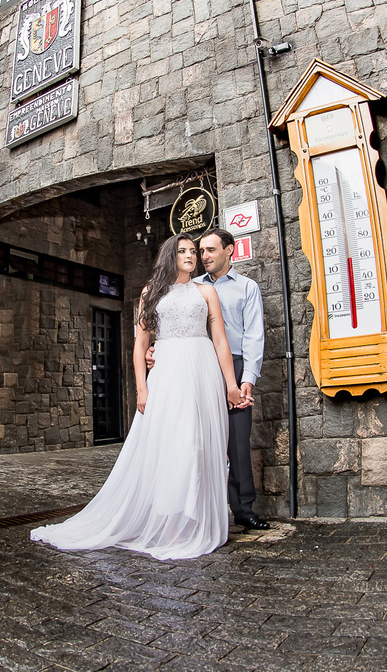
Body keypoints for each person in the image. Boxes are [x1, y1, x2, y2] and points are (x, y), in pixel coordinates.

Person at [31, 234, 244, 560]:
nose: (190, 256)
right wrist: (142, 388)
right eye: (183, 251)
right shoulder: (150, 293)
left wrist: (230, 384)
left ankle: (196, 520)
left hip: (203, 374)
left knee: (199, 445)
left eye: (193, 252)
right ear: (169, 255)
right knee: (172, 446)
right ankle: (170, 523)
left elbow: (220, 341)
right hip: (168, 375)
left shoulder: (207, 292)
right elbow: (140, 346)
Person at [197, 227, 269, 531]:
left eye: (210, 250)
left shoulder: (247, 287)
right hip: (200, 366)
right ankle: (200, 510)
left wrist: (248, 376)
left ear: (230, 251)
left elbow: (254, 334)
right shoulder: (191, 287)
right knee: (197, 438)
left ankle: (242, 509)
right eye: (201, 251)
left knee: (238, 441)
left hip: (237, 367)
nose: (204, 257)